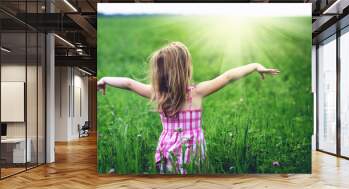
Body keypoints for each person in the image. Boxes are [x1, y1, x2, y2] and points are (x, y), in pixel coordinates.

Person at [98, 42, 280, 174]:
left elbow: (129, 83)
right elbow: (228, 77)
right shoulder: (197, 92)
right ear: (184, 69)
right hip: (192, 149)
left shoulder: (157, 93)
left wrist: (105, 79)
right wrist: (255, 66)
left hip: (167, 148)